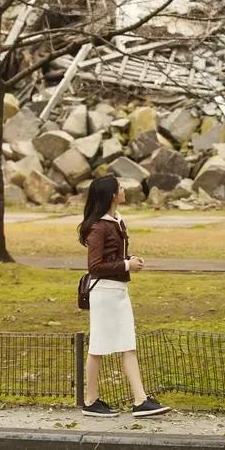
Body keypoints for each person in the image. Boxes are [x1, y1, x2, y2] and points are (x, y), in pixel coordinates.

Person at [77, 175, 171, 418]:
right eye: (120, 188)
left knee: (127, 343)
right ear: (111, 195)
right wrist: (127, 265)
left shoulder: (116, 220)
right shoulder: (99, 226)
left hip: (117, 291)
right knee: (98, 346)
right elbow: (95, 266)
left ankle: (139, 400)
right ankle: (91, 400)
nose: (124, 190)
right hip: (105, 293)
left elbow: (113, 258)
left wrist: (130, 261)